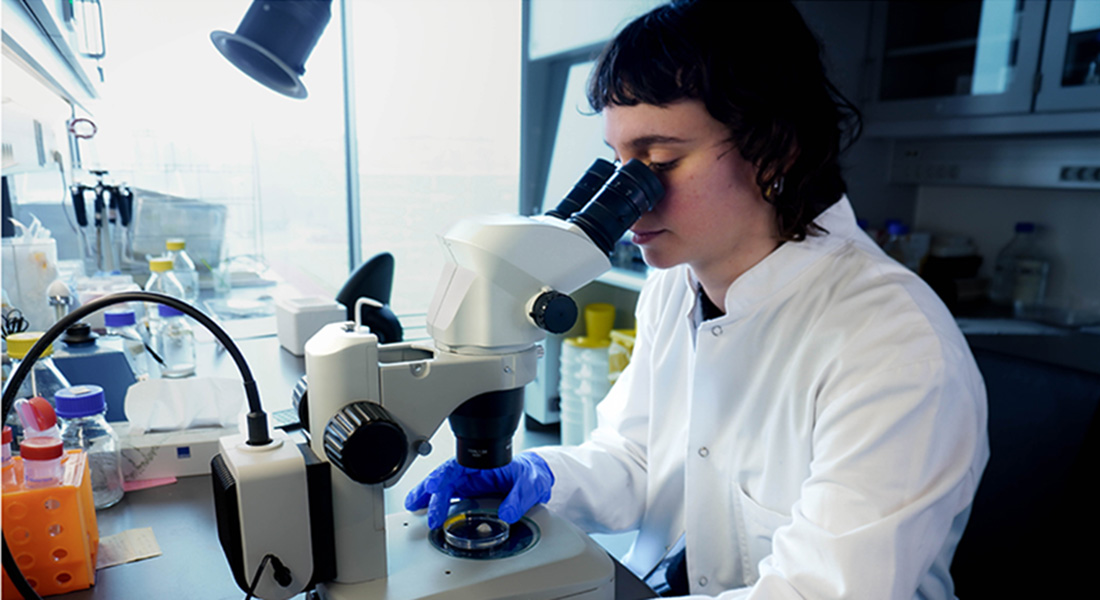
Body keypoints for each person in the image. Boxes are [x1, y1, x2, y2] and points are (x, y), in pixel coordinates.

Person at [406, 1, 989, 598]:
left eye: (658, 162)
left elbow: (816, 592)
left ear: (774, 149)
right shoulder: (676, 284)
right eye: (618, 163)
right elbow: (639, 459)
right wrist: (541, 475)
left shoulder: (896, 349)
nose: (630, 197)